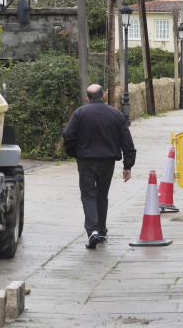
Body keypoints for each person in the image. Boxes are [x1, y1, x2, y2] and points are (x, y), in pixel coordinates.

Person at [62, 84, 136, 249]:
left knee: (88, 195)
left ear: (88, 98)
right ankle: (102, 231)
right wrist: (127, 165)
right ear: (103, 96)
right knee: (102, 196)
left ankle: (93, 231)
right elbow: (127, 142)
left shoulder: (80, 113)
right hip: (107, 162)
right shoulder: (116, 114)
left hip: (86, 162)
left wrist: (74, 152)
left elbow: (68, 134)